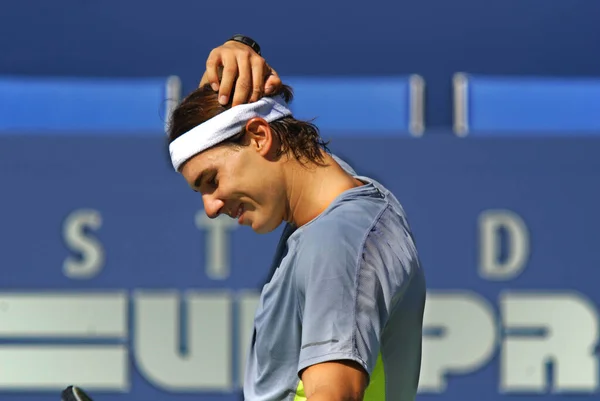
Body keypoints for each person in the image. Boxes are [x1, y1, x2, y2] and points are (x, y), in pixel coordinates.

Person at [165, 36, 427, 401]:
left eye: (212, 180)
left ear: (259, 136)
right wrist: (241, 48)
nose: (210, 208)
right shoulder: (342, 202)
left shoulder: (337, 243)